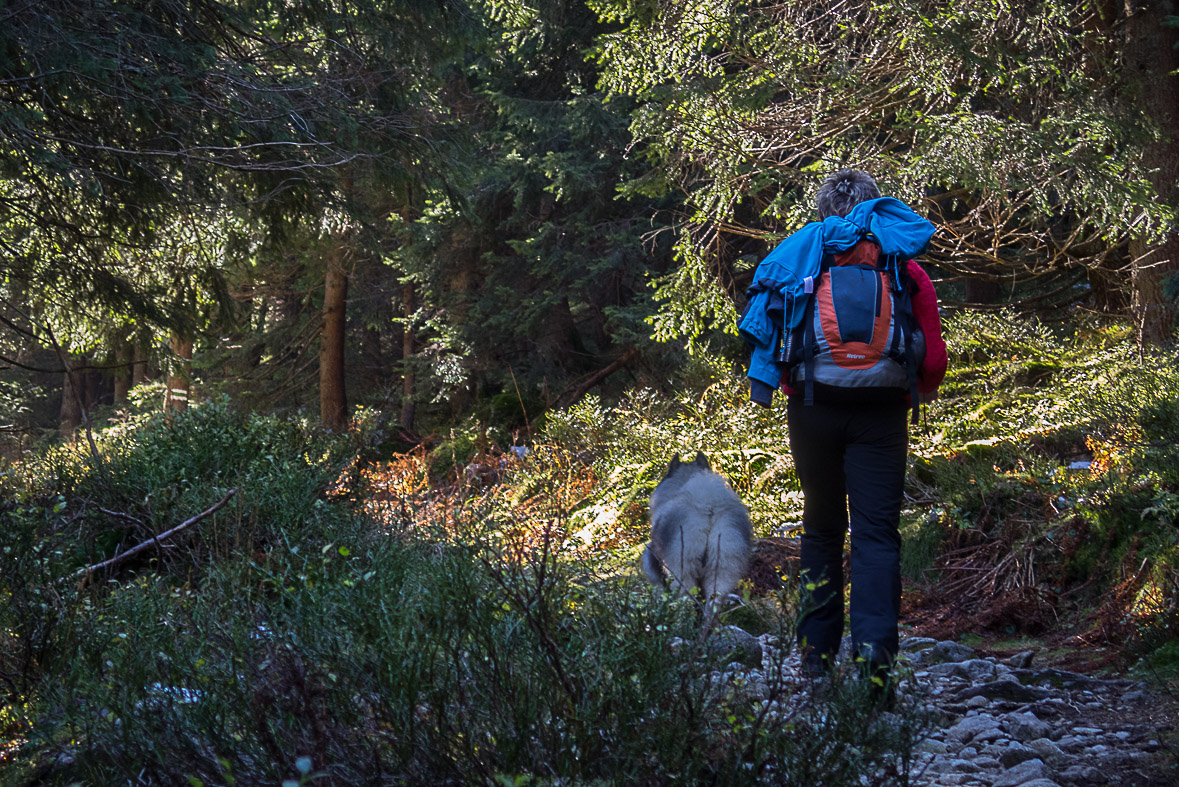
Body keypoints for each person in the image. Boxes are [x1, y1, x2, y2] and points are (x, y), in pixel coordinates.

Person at [786, 169, 947, 694]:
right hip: (882, 411)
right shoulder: (905, 268)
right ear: (876, 209)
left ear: (822, 210)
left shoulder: (804, 258)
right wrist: (914, 390)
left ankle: (815, 659)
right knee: (876, 535)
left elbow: (774, 338)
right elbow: (935, 357)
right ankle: (875, 662)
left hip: (814, 408)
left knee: (822, 528)